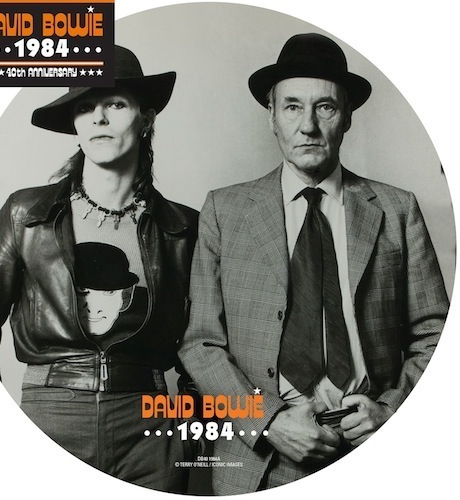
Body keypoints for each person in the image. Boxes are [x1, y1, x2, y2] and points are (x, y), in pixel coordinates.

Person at [178, 33, 449, 494]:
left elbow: (436, 333)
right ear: (271, 116)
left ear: (347, 117)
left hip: (370, 449)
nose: (308, 126)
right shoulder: (225, 210)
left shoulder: (397, 209)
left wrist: (391, 410)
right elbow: (200, 343)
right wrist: (266, 422)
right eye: (292, 107)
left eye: (325, 107)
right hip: (260, 460)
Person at [0, 45, 199, 493]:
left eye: (115, 104)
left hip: (151, 428)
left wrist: (188, 433)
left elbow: (205, 340)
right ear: (74, 125)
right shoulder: (26, 214)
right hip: (50, 415)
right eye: (85, 107)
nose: (99, 118)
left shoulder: (183, 228)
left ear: (146, 119)